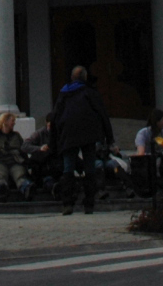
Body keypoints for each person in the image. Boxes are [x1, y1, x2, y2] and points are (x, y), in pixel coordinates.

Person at [47, 64, 113, 215]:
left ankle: (67, 203)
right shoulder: (90, 92)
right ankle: (89, 204)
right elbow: (102, 113)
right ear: (85, 77)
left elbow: (55, 116)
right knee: (89, 169)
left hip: (68, 134)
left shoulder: (63, 93)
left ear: (72, 78)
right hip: (88, 134)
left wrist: (52, 142)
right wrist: (109, 138)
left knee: (68, 169)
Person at [0, 111, 29, 198]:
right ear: (5, 121)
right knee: (0, 175)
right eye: (12, 121)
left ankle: (26, 188)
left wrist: (26, 164)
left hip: (14, 161)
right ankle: (1, 189)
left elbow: (22, 151)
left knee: (19, 174)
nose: (14, 123)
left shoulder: (16, 135)